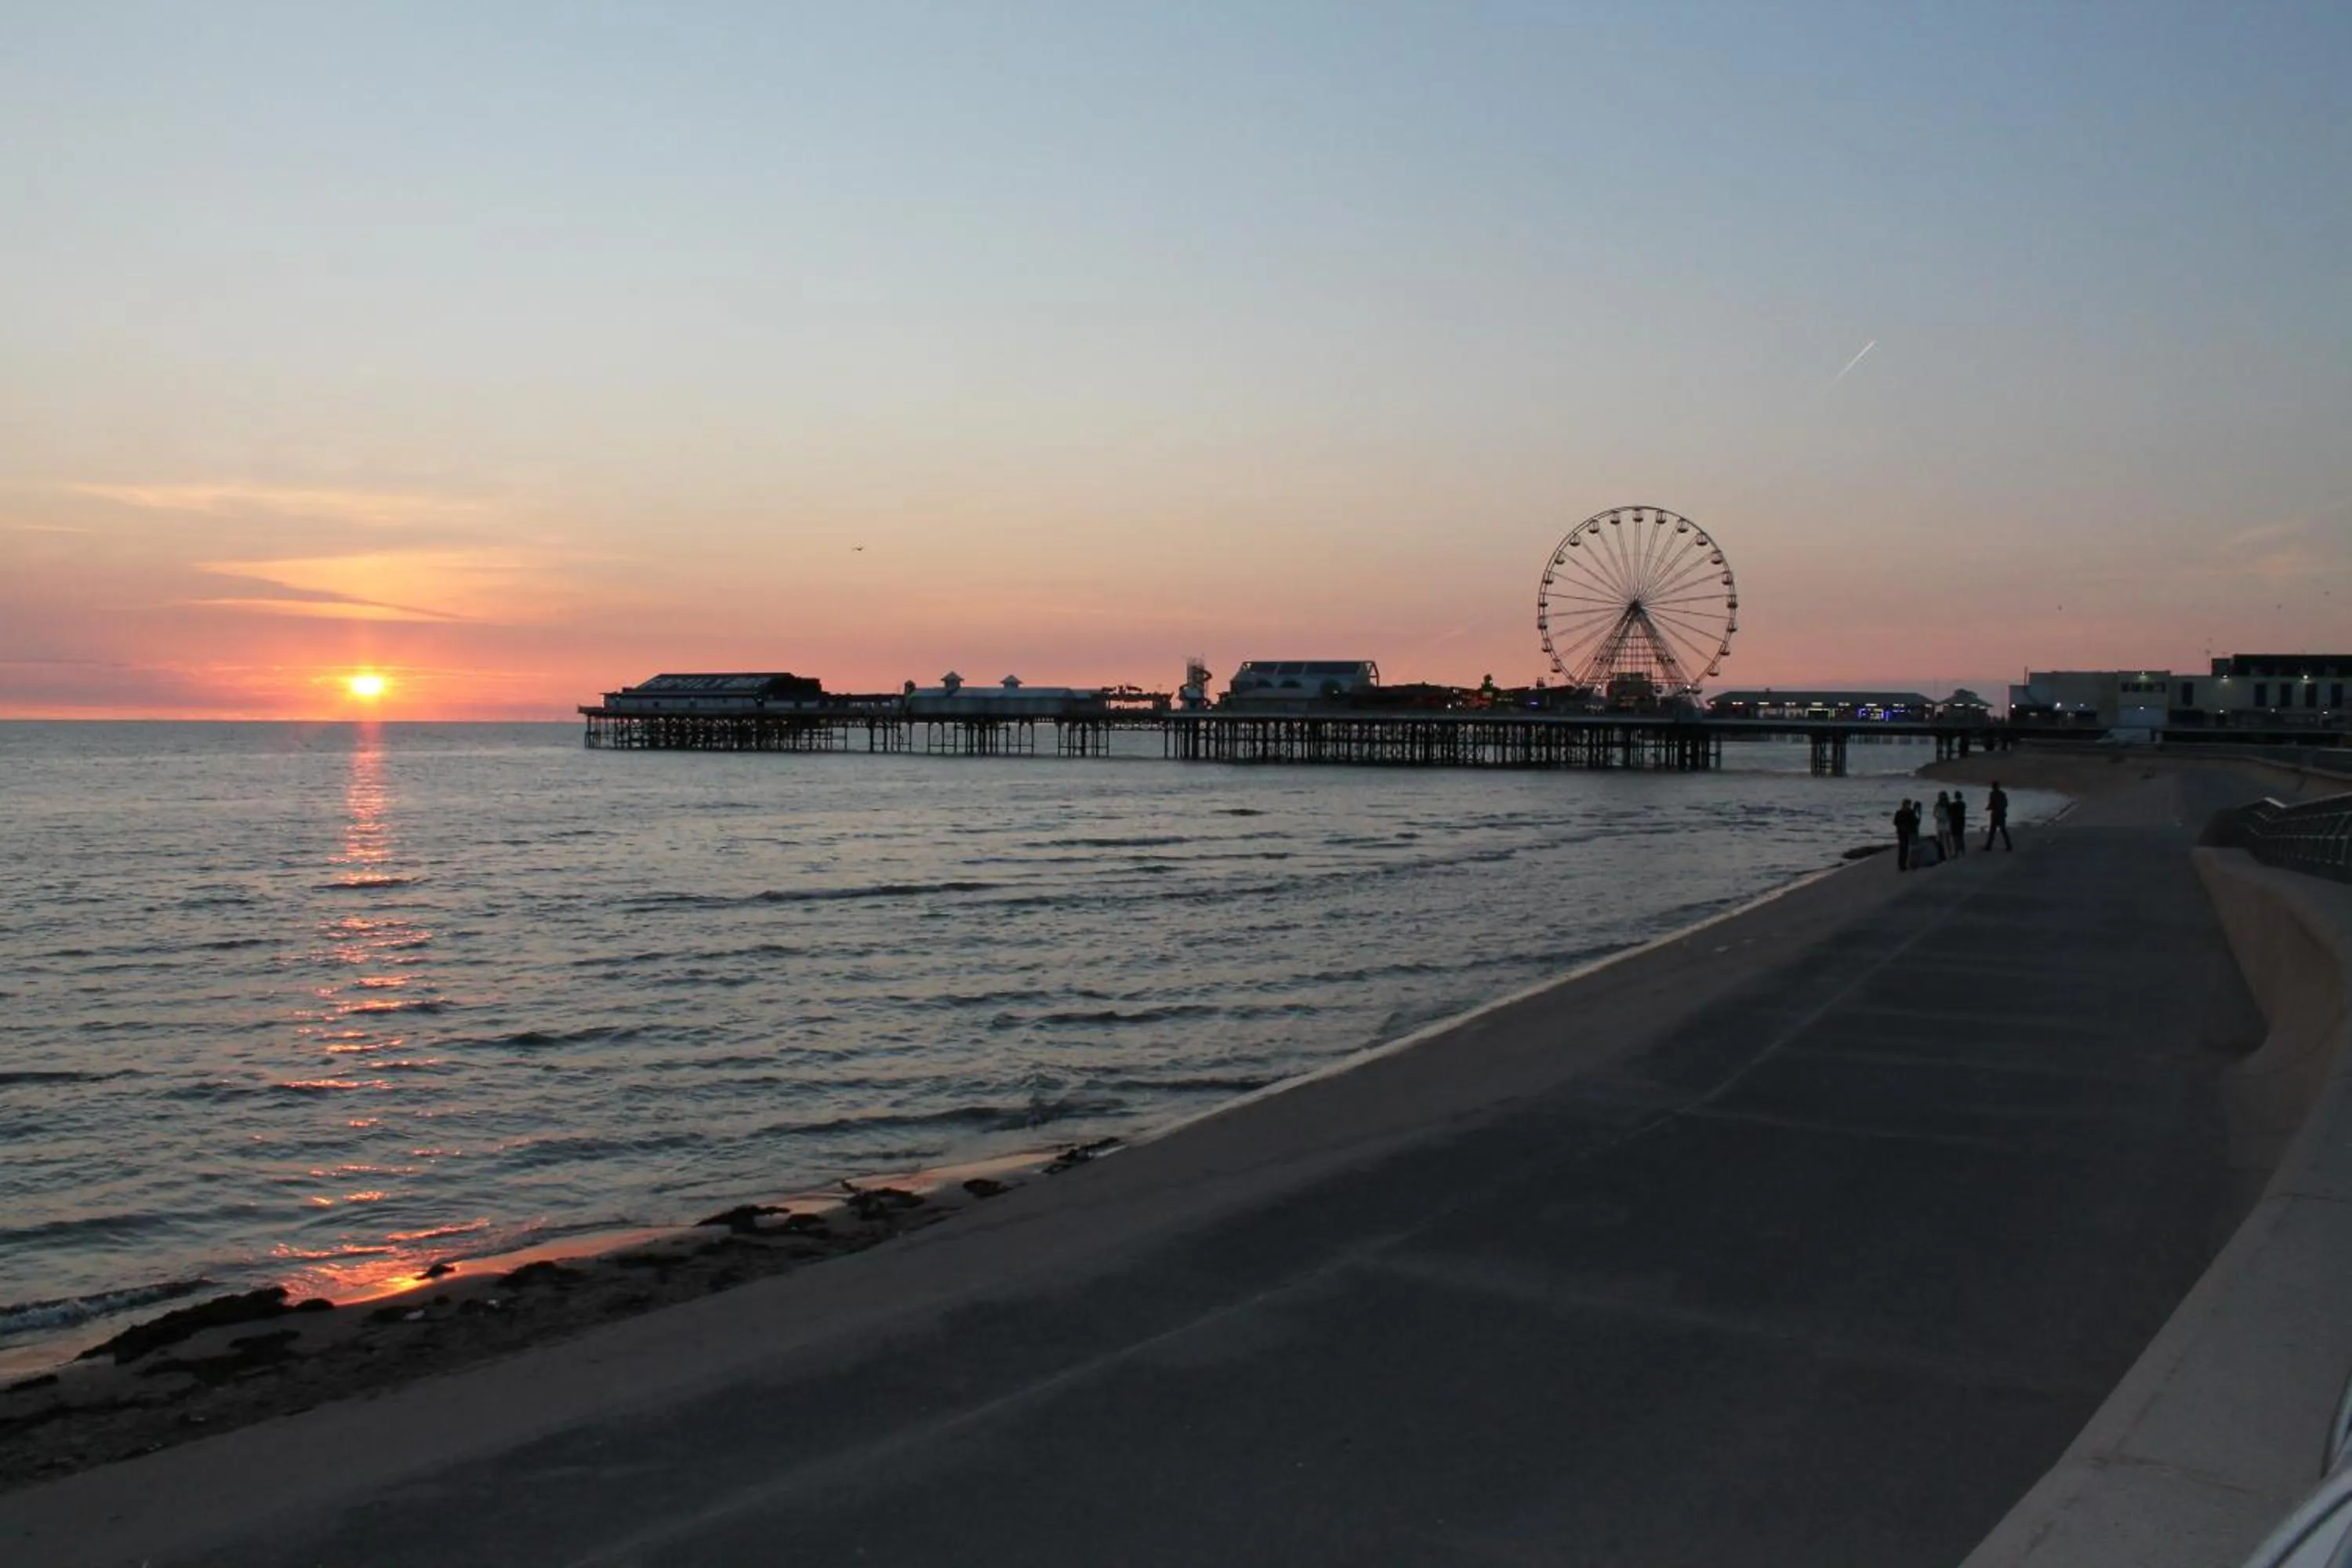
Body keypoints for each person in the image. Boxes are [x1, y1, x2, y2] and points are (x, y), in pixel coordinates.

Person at [1985, 781, 2013, 851]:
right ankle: (2009, 846)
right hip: (2001, 814)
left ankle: (1989, 846)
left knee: (1992, 831)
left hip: (1995, 815)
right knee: (2003, 830)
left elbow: (1991, 804)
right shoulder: (2002, 794)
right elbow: (2006, 804)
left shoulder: (1992, 794)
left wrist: (1988, 808)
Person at [1893, 797, 1918, 871]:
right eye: (1908, 805)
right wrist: (1902, 826)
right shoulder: (1900, 813)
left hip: (1908, 832)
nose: (1908, 806)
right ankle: (1902, 864)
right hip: (1902, 832)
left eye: (1909, 805)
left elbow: (1915, 822)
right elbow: (1896, 822)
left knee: (1907, 848)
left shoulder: (1910, 812)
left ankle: (1907, 863)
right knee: (1903, 849)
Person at [1933, 791, 1953, 858]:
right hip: (1941, 822)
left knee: (1947, 839)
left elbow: (1951, 815)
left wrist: (1946, 819)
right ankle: (1943, 853)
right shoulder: (1938, 805)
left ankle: (1949, 853)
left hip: (1945, 822)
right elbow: (1934, 814)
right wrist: (1938, 818)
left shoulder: (1948, 805)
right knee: (1942, 839)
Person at [1947, 790, 1966, 855]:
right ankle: (1962, 850)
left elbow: (1950, 813)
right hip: (1961, 821)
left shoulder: (1953, 805)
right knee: (1961, 836)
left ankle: (1956, 852)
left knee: (1955, 838)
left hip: (1954, 821)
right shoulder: (1963, 804)